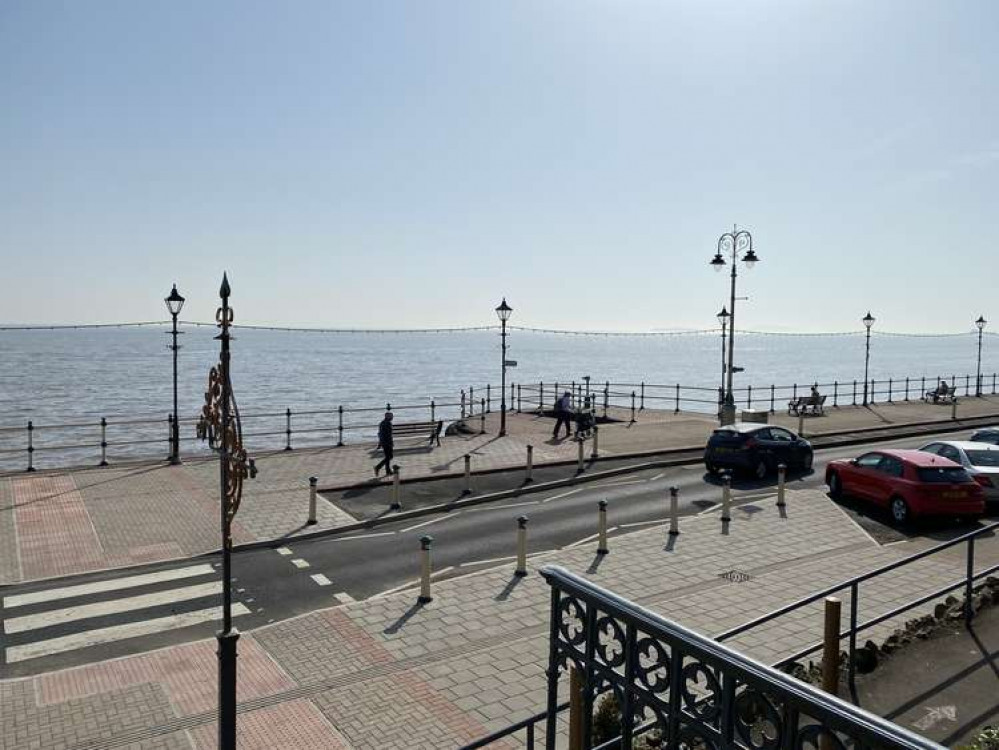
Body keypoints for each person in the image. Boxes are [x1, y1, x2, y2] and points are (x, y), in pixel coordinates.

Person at [374, 411, 394, 477]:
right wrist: (390, 443)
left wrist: (380, 444)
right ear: (387, 416)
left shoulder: (382, 423)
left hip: (384, 442)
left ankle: (388, 470)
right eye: (391, 416)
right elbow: (388, 435)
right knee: (390, 456)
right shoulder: (388, 423)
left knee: (387, 457)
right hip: (387, 442)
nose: (392, 417)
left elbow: (380, 434)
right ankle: (378, 467)